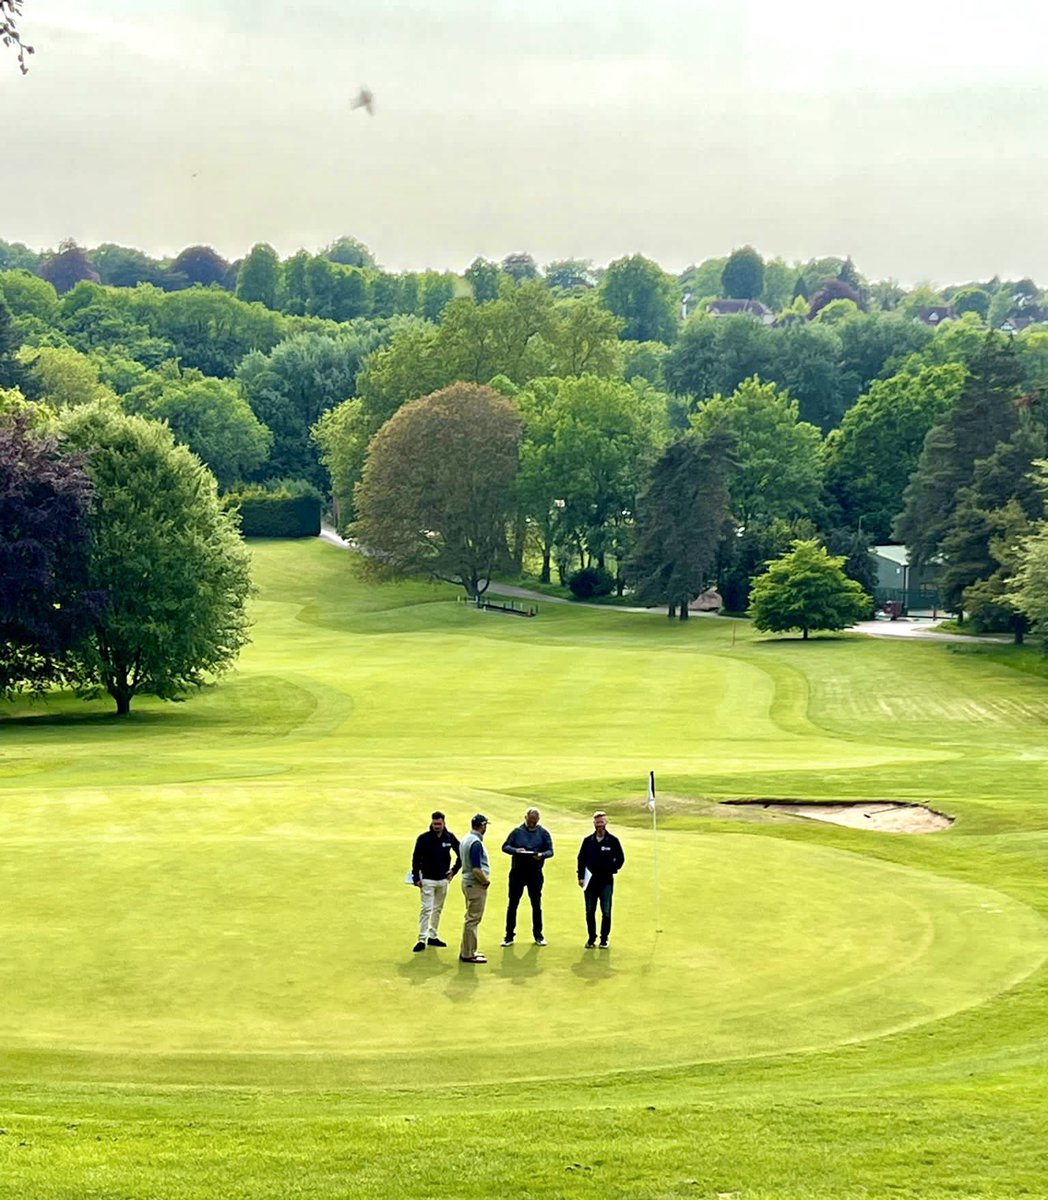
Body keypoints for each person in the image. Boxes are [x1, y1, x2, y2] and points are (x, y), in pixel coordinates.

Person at [500, 807, 554, 946]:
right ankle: (509, 936)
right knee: (513, 904)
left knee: (536, 905)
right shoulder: (517, 832)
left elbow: (550, 851)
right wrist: (516, 850)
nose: (531, 824)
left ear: (538, 820)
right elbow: (505, 846)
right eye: (530, 821)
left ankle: (538, 935)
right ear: (526, 818)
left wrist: (541, 855)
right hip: (518, 873)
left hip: (535, 873)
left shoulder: (542, 833)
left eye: (534, 822)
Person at [410, 811, 461, 953]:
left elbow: (461, 853)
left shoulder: (449, 837)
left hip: (443, 879)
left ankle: (433, 936)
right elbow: (416, 858)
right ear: (431, 823)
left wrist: (454, 871)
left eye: (439, 824)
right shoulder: (424, 838)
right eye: (434, 824)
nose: (437, 826)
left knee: (437, 909)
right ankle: (422, 938)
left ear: (444, 823)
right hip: (427, 879)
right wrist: (416, 877)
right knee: (426, 909)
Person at [576, 811, 625, 949]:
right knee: (590, 911)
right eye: (597, 823)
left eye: (602, 823)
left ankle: (604, 938)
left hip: (605, 881)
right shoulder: (588, 841)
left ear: (606, 823)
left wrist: (612, 869)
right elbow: (581, 859)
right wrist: (580, 877)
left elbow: (620, 859)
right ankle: (591, 938)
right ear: (594, 824)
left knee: (606, 911)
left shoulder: (613, 841)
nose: (599, 826)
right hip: (590, 881)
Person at [458, 814, 491, 963]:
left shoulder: (466, 838)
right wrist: (485, 882)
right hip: (475, 884)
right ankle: (468, 954)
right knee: (472, 920)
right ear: (482, 826)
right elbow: (476, 869)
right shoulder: (475, 843)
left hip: (467, 883)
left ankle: (468, 950)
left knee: (470, 918)